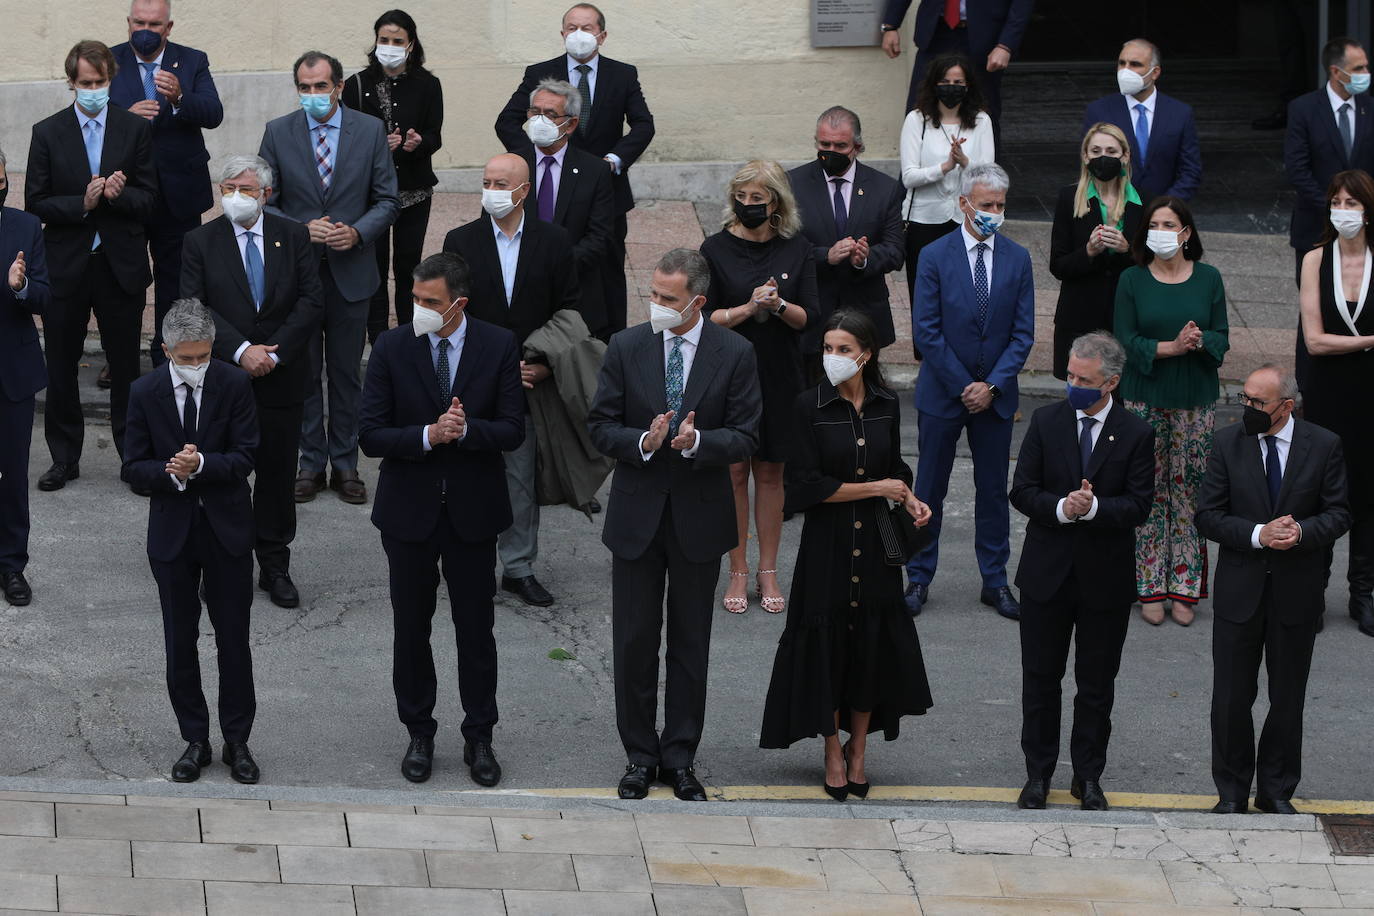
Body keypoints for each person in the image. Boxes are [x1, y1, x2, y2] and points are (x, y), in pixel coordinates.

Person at [587, 248, 761, 802]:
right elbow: (600, 425)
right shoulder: (626, 345)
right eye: (654, 294)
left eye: (668, 298)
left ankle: (680, 756)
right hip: (637, 516)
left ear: (698, 301)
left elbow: (747, 434)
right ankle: (639, 756)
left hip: (698, 519)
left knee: (691, 644)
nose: (656, 305)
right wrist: (645, 441)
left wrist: (696, 444)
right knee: (635, 642)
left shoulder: (734, 352)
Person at [359, 252, 524, 787]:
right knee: (411, 628)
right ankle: (419, 731)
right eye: (414, 299)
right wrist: (430, 435)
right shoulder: (390, 346)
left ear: (459, 304)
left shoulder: (498, 344)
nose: (419, 310)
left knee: (476, 630)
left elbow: (513, 429)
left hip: (474, 514)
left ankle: (480, 734)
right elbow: (371, 433)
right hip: (409, 513)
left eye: (430, 302)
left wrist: (467, 430)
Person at [760, 310, 933, 801]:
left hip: (876, 546)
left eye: (842, 349)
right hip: (827, 547)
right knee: (828, 649)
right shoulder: (806, 406)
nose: (832, 358)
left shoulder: (887, 403)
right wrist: (878, 487)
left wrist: (909, 496)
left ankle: (859, 749)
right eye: (827, 348)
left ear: (866, 354)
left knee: (868, 650)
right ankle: (832, 748)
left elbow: (894, 464)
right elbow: (803, 487)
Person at [1009, 332, 1154, 811]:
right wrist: (1061, 507)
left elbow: (1138, 505)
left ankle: (1088, 776)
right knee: (1040, 681)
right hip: (1047, 574)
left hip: (1104, 580)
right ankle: (1038, 775)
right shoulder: (1047, 421)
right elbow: (1023, 490)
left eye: (1084, 379)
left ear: (1110, 383)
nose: (1073, 384)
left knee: (1095, 687)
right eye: (1069, 375)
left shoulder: (1136, 433)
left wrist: (1092, 510)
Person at [1196, 366, 1351, 815]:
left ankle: (1276, 790)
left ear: (1286, 407)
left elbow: (1339, 513)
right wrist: (1259, 533)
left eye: (1257, 402)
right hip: (1239, 592)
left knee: (1287, 697)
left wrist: (1300, 532)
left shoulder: (1324, 446)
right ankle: (1230, 791)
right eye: (1244, 398)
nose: (1247, 408)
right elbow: (1208, 515)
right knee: (1230, 697)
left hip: (1295, 593)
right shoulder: (1227, 443)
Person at [122, 299, 262, 785]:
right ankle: (194, 739)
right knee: (180, 641)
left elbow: (246, 455)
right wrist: (169, 471)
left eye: (203, 356)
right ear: (166, 351)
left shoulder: (235, 383)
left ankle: (237, 740)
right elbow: (132, 466)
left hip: (226, 531)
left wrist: (201, 465)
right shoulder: (144, 392)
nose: (197, 367)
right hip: (173, 535)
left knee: (233, 640)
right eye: (187, 358)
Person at [180, 155, 324, 610]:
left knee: (278, 477)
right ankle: (225, 562)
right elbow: (193, 305)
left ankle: (275, 566)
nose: (236, 198)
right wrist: (243, 351)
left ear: (266, 194)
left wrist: (274, 351)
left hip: (282, 375)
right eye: (228, 189)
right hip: (224, 378)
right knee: (224, 476)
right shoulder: (200, 240)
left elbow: (310, 300)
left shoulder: (294, 235)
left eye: (245, 190)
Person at [259, 50, 398, 507]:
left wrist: (358, 232)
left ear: (338, 86)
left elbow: (386, 200)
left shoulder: (369, 130)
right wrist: (300, 230)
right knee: (301, 372)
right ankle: (310, 464)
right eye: (305, 87)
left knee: (345, 374)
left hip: (351, 272)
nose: (313, 95)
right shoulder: (279, 132)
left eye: (321, 86)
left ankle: (346, 464)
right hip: (297, 275)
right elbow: (265, 201)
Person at [443, 154, 581, 608]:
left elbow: (571, 311)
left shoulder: (555, 242)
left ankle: (518, 568)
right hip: (474, 378)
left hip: (527, 381)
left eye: (500, 183)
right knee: (467, 477)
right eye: (485, 182)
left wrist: (542, 365)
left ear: (523, 191)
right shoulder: (460, 240)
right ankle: (470, 564)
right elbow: (450, 311)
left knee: (520, 478)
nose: (491, 191)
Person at [27, 40, 156, 492]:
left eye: (101, 82)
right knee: (61, 364)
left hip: (119, 264)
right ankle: (64, 458)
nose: (94, 90)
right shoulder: (47, 132)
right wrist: (81, 203)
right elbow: (36, 202)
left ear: (111, 80)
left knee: (125, 367)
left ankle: (133, 455)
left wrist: (121, 195)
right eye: (86, 83)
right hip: (66, 265)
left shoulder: (133, 130)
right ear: (71, 83)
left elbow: (150, 199)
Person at [908, 162, 1034, 621]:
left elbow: (1023, 335)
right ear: (963, 204)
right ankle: (918, 576)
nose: (994, 213)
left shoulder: (1018, 258)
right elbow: (927, 331)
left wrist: (993, 386)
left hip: (996, 399)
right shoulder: (934, 256)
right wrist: (966, 386)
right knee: (929, 489)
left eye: (1000, 206)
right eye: (986, 205)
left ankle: (995, 581)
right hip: (944, 395)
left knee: (992, 491)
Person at [495, 2, 655, 340]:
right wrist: (530, 157)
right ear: (562, 33)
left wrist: (613, 159)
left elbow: (643, 125)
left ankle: (609, 341)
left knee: (605, 268)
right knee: (544, 258)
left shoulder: (622, 74)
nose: (578, 35)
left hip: (606, 187)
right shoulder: (540, 71)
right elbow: (507, 120)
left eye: (587, 28)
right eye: (572, 27)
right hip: (549, 182)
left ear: (602, 35)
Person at [700, 160, 818, 615]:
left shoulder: (798, 248)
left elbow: (810, 317)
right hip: (728, 374)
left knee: (770, 473)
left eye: (757, 198)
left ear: (776, 204)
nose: (748, 205)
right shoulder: (714, 247)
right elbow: (704, 316)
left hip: (780, 373)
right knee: (733, 471)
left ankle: (768, 569)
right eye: (742, 197)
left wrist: (780, 302)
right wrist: (748, 308)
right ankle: (738, 569)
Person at [1114, 196, 1229, 626]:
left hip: (1195, 400)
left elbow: (1222, 337)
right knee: (1149, 488)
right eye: (1154, 223)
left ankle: (1184, 586)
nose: (1161, 230)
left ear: (1186, 233)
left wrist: (1200, 342)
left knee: (1189, 490)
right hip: (1145, 397)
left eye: (1170, 223)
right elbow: (1125, 341)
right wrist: (1171, 348)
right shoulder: (1131, 279)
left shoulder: (1209, 278)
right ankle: (1149, 586)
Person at [110, 0, 223, 367]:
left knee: (176, 285)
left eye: (154, 24)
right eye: (139, 22)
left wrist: (179, 98)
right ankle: (121, 358)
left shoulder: (192, 61)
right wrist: (125, 119)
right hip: (127, 193)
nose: (145, 29)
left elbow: (213, 113)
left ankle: (168, 358)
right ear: (128, 23)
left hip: (179, 196)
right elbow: (88, 116)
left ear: (169, 27)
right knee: (125, 282)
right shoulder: (108, 61)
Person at [1297, 169, 1374, 638]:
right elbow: (1315, 340)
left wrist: (1354, 342)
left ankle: (1362, 591)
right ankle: (1314, 589)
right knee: (1323, 489)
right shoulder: (1314, 259)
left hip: (1370, 394)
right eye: (1337, 201)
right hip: (1327, 390)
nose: (1343, 210)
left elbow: (1331, 337)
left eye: (1352, 202)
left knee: (1368, 491)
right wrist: (1370, 340)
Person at [342, 9, 443, 345]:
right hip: (371, 192)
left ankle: (407, 335)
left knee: (407, 264)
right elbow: (347, 136)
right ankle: (377, 336)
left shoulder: (428, 84)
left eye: (397, 41)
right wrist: (375, 145)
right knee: (373, 265)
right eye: (384, 39)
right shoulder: (357, 84)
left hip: (414, 190)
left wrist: (417, 143)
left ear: (410, 44)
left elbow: (435, 135)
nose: (389, 46)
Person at [789, 107, 904, 381]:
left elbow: (895, 250)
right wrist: (824, 255)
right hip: (813, 310)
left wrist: (864, 258)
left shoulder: (884, 188)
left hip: (863, 311)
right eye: (824, 144)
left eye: (840, 145)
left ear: (858, 146)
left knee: (863, 398)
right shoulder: (792, 183)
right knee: (811, 400)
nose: (831, 151)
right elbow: (785, 247)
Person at [1285, 37, 1373, 388]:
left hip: (1366, 228)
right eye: (1359, 68)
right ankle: (1310, 383)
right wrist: (1336, 208)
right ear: (1336, 72)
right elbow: (1297, 168)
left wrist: (1362, 207)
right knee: (1316, 308)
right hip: (1313, 228)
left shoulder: (1370, 108)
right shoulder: (1304, 108)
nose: (1366, 74)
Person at [899, 52, 994, 355]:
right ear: (933, 84)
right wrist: (944, 166)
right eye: (945, 82)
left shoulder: (981, 121)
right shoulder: (917, 121)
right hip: (924, 222)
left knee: (965, 293)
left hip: (966, 222)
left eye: (958, 82)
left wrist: (964, 162)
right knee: (926, 292)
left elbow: (988, 179)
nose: (952, 87)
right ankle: (926, 355)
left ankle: (963, 353)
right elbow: (909, 176)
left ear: (968, 86)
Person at [515, 78, 615, 337]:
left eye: (550, 114)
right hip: (519, 288)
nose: (539, 120)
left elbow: (599, 236)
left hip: (576, 291)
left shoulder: (595, 171)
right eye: (535, 112)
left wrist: (555, 266)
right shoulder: (512, 165)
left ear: (570, 124)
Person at [1049, 122, 1144, 380]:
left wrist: (1126, 250)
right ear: (1085, 156)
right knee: (1080, 397)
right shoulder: (1069, 198)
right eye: (1096, 150)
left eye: (1112, 151)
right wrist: (1088, 251)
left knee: (1121, 396)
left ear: (1125, 157)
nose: (1104, 157)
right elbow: (1058, 266)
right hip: (1079, 316)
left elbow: (1152, 266)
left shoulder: (1144, 201)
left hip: (1124, 318)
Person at [0, 151, 51, 607]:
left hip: (10, 375)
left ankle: (12, 565)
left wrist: (21, 287)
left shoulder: (25, 226)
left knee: (13, 476)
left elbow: (45, 295)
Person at [879, 0, 1033, 147]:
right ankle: (912, 173)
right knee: (920, 110)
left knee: (984, 113)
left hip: (985, 39)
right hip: (936, 34)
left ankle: (988, 174)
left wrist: (1006, 45)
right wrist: (891, 26)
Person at [1081, 39, 1201, 204]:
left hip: (1164, 214)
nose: (1125, 70)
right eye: (1122, 63)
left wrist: (1165, 208)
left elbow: (1190, 170)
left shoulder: (1180, 113)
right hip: (1113, 213)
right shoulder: (1099, 111)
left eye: (1135, 64)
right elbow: (1090, 165)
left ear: (1155, 72)